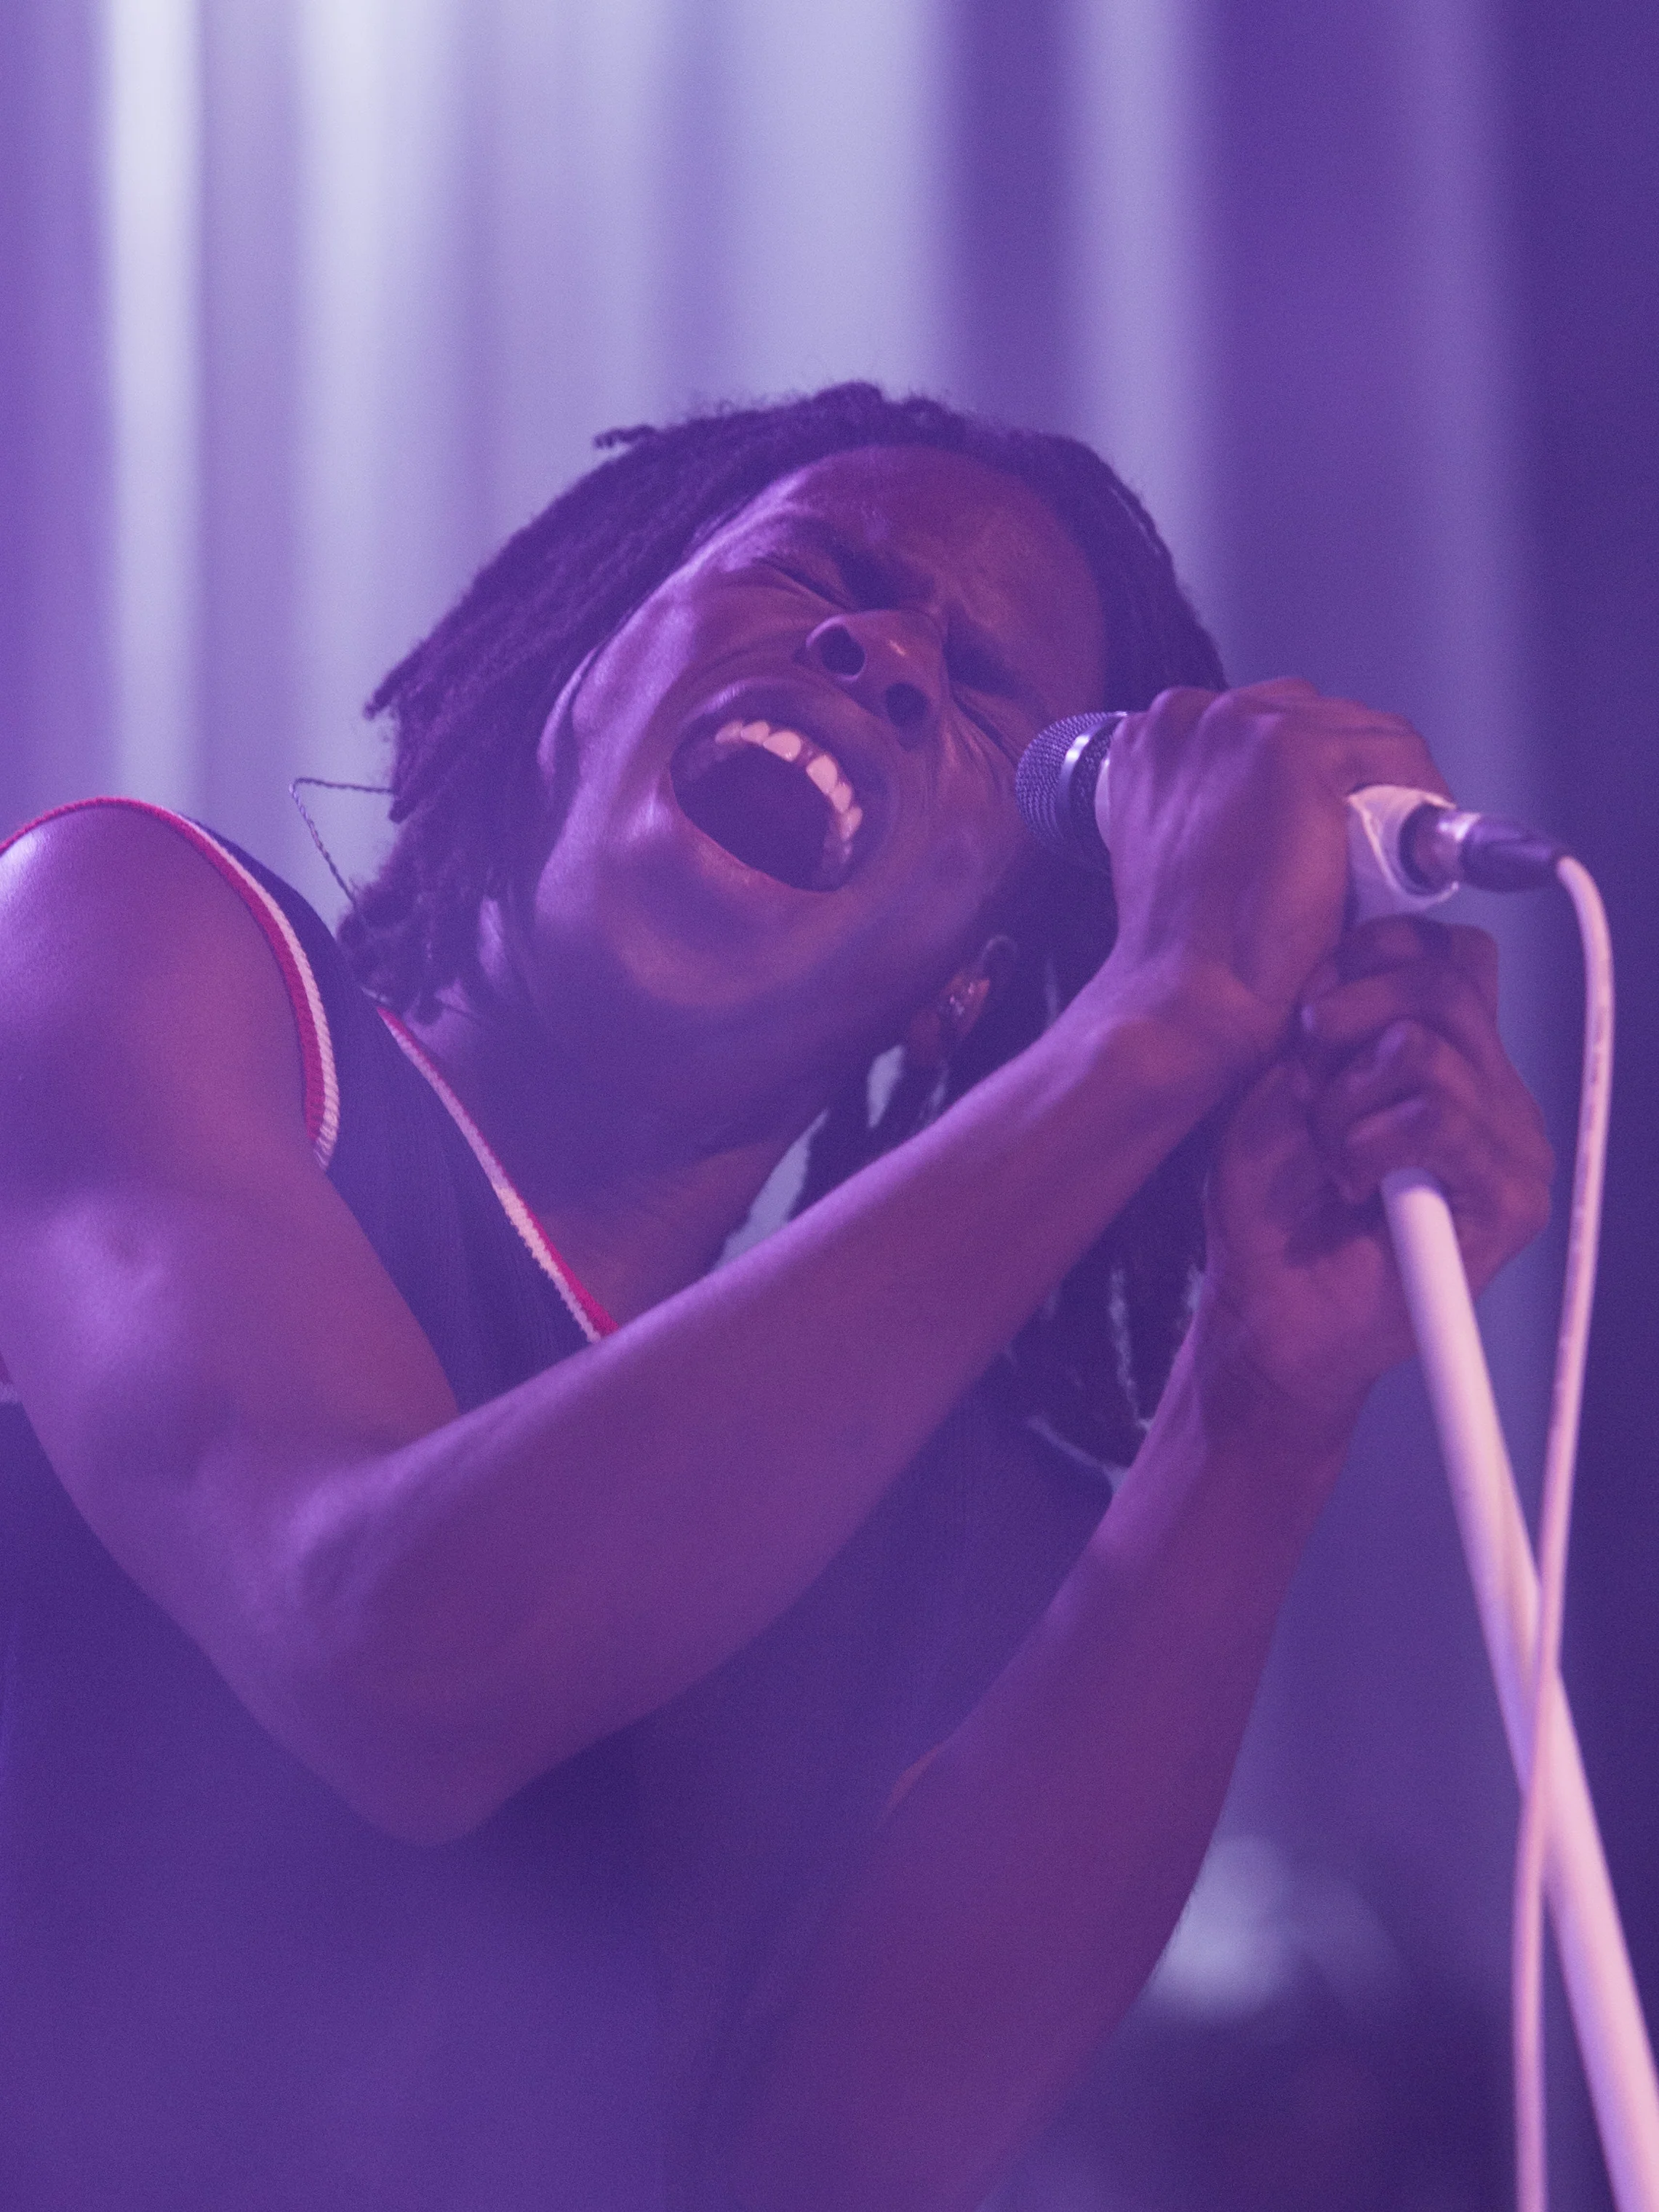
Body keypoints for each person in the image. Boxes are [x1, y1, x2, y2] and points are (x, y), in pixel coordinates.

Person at [0, 385, 1551, 2211]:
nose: (883, 651)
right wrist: (1166, 1015)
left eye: (983, 695)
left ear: (964, 988)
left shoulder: (949, 1513)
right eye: (822, 569)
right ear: (587, 671)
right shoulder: (143, 941)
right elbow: (383, 1643)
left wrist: (1264, 1398)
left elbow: (833, 2165)